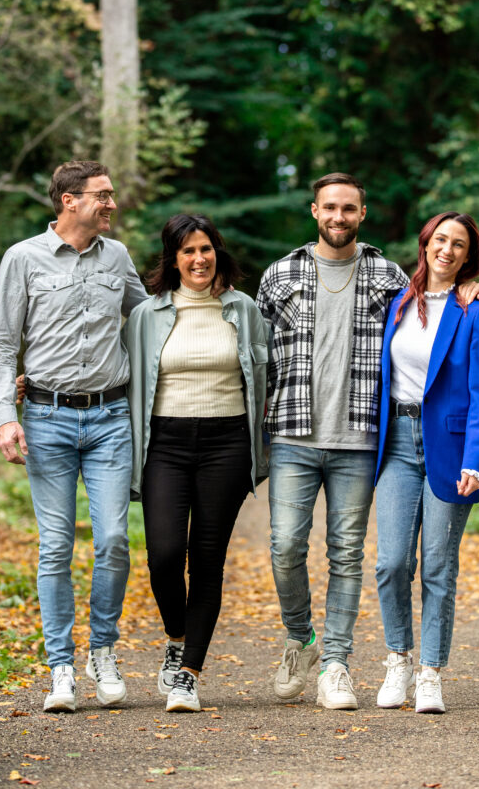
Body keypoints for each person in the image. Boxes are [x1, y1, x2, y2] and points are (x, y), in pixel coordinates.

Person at [0, 161, 148, 713]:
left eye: (111, 194)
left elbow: (147, 321)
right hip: (47, 420)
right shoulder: (23, 258)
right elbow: (3, 346)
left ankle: (102, 650)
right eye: (102, 196)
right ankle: (60, 668)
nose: (112, 203)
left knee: (114, 542)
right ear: (69, 201)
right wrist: (7, 415)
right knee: (55, 547)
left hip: (109, 420)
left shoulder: (118, 257)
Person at [255, 173, 410, 709]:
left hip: (360, 438)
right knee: (284, 549)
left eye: (348, 208)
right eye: (329, 208)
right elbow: (257, 360)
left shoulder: (390, 277)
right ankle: (301, 638)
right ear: (314, 211)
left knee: (346, 554)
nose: (338, 217)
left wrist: (465, 289)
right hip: (294, 434)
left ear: (362, 213)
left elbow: (425, 333)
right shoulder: (279, 274)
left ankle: (336, 665)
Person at [122, 214, 268, 713]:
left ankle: (188, 674)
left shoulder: (243, 310)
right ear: (173, 259)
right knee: (164, 555)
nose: (198, 259)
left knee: (207, 560)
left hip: (227, 442)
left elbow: (267, 375)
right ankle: (176, 636)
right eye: (188, 251)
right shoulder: (146, 315)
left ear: (217, 253)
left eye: (205, 249)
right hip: (165, 441)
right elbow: (123, 375)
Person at [374, 211, 479, 713]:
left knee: (438, 567)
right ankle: (398, 659)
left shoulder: (473, 312)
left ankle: (430, 672)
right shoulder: (398, 302)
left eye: (459, 244)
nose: (447, 249)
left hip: (449, 448)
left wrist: (476, 459)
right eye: (440, 239)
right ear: (425, 245)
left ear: (469, 256)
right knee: (391, 562)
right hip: (397, 444)